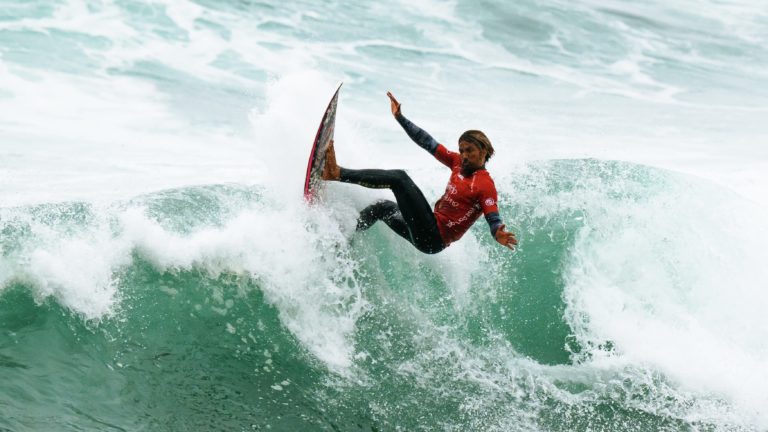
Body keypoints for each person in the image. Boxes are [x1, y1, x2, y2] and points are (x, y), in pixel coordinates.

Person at [322, 91, 517, 254]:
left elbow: (493, 216)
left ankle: (336, 173)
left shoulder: (485, 185)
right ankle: (343, 237)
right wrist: (400, 118)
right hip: (426, 233)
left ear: (483, 151)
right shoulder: (457, 162)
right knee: (382, 208)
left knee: (400, 178)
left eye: (470, 151)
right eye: (462, 150)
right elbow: (427, 142)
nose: (464, 155)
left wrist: (497, 232)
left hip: (434, 236)